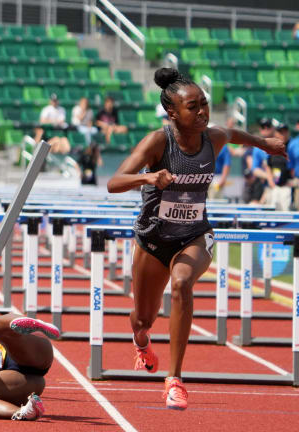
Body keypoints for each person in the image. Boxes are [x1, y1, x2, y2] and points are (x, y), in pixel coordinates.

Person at [106, 67, 285, 411]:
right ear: (172, 112)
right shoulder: (159, 141)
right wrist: (149, 177)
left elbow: (235, 134)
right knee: (143, 318)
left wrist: (267, 145)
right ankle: (141, 342)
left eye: (204, 104)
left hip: (196, 235)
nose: (202, 112)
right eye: (193, 107)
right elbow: (114, 182)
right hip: (154, 240)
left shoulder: (212, 137)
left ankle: (174, 379)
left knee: (183, 282)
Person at [256, 123, 292, 210]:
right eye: (280, 132)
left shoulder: (292, 146)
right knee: (272, 210)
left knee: (285, 211)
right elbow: (268, 164)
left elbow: (293, 167)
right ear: (276, 133)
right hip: (273, 185)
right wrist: (270, 179)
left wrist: (292, 181)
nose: (282, 134)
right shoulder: (272, 146)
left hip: (286, 186)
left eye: (284, 132)